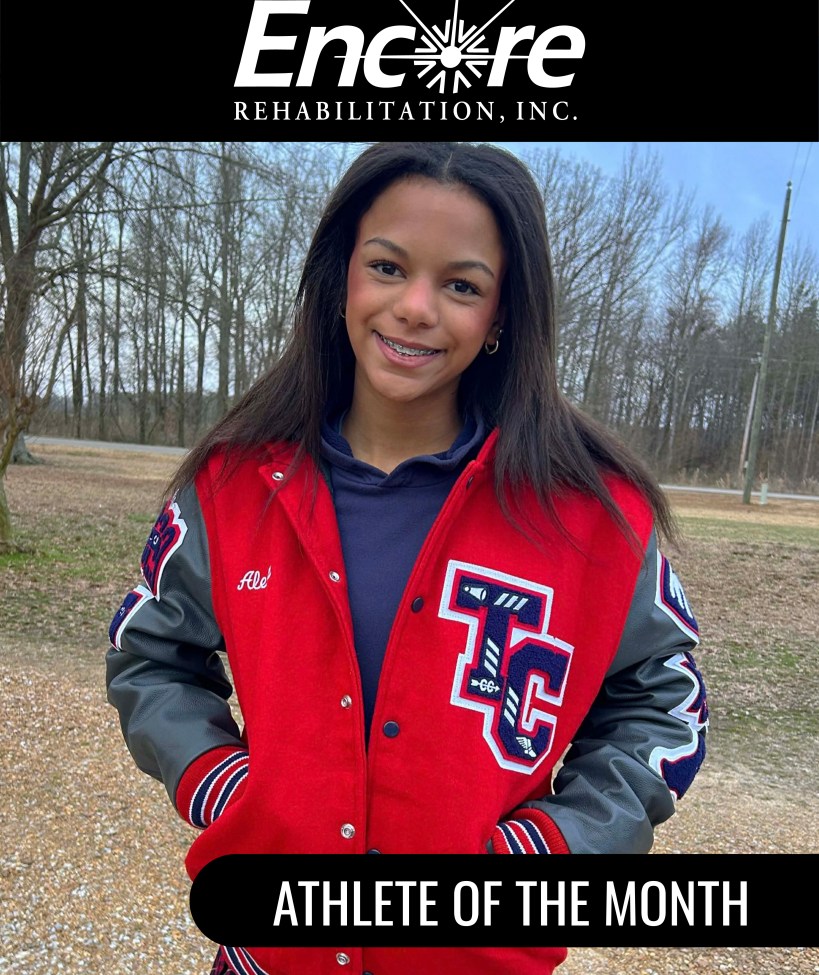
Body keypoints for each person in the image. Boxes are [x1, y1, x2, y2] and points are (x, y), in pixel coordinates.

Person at [106, 141, 708, 975]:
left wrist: (550, 850)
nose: (415, 307)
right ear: (341, 276)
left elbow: (662, 705)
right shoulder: (232, 483)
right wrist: (226, 786)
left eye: (461, 285)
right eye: (387, 267)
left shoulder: (593, 513)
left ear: (501, 315)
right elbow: (151, 656)